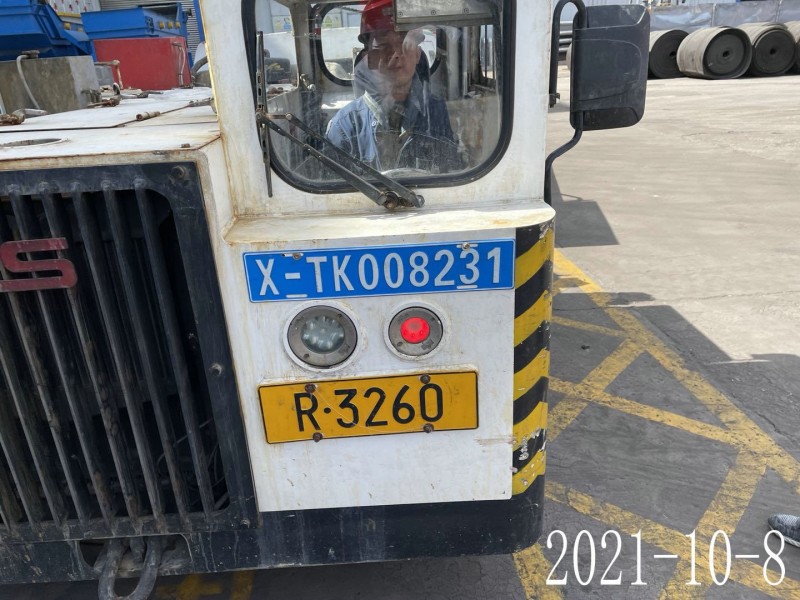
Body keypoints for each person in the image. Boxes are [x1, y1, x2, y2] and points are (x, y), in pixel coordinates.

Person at [326, 0, 462, 173]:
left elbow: (451, 174)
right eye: (383, 46)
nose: (396, 54)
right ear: (369, 58)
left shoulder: (436, 111)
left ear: (417, 54)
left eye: (405, 44)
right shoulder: (344, 126)